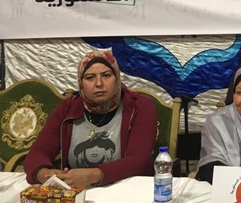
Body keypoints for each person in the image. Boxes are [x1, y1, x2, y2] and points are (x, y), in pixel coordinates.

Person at [25, 50, 157, 188]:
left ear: (117, 78)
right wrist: (44, 174)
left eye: (106, 75)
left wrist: (93, 175)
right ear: (81, 83)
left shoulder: (139, 106)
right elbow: (38, 152)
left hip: (126, 190)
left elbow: (138, 161)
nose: (99, 83)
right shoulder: (68, 107)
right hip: (77, 191)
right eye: (90, 77)